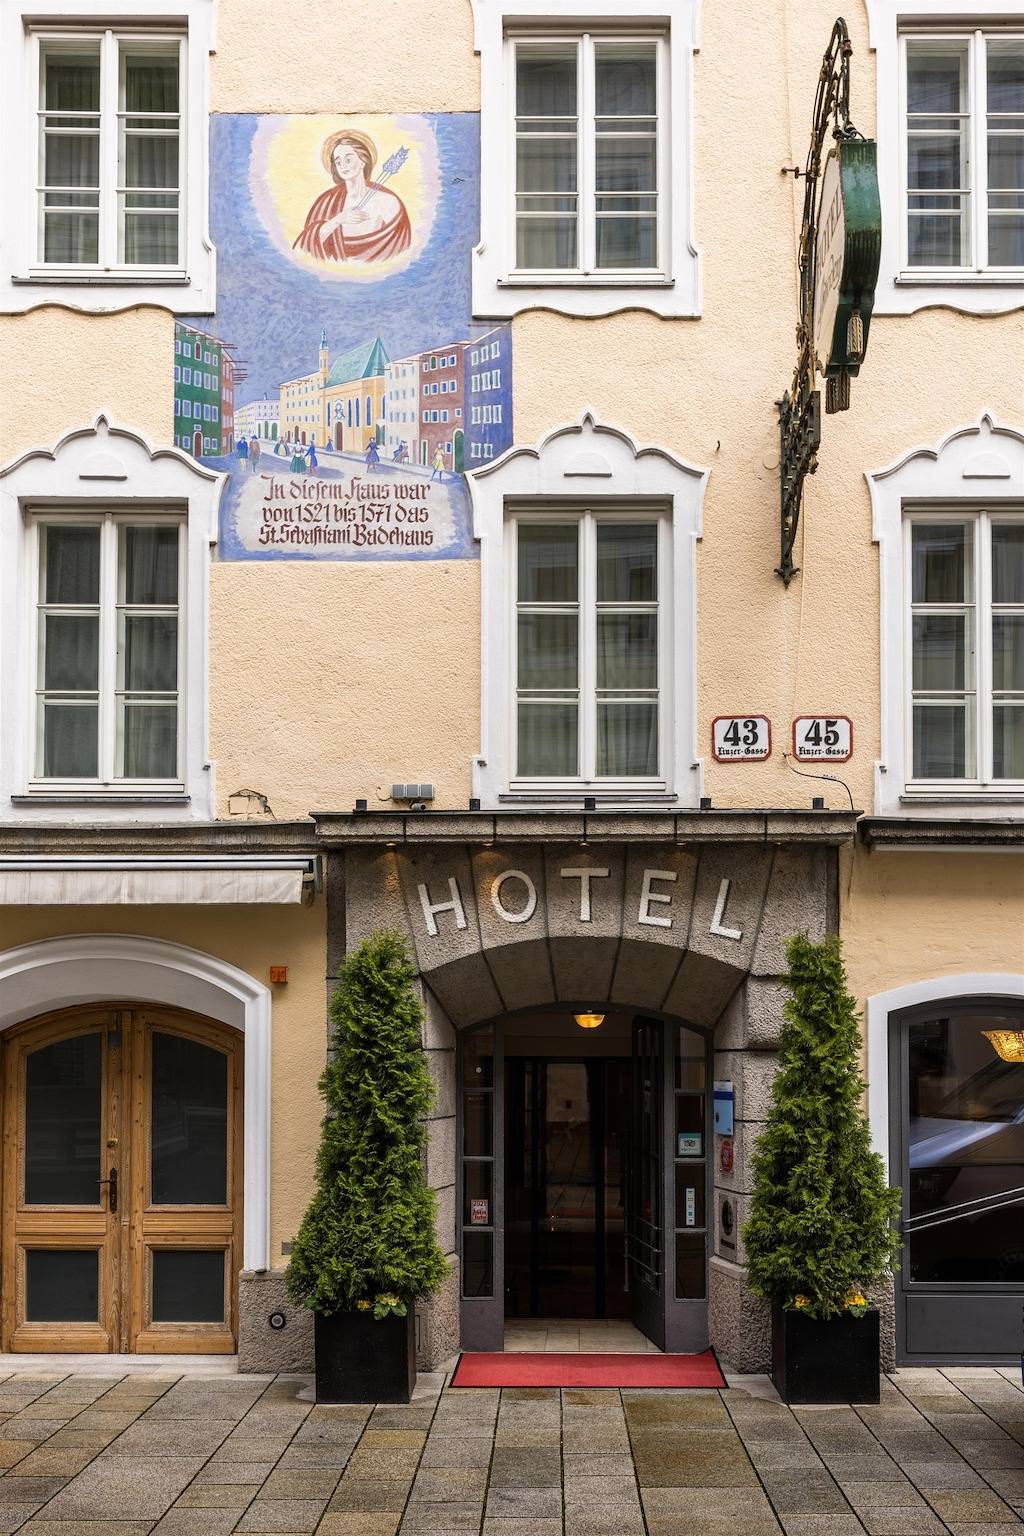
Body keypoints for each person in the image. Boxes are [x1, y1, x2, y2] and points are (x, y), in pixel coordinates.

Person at [293, 130, 412, 263]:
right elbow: (305, 245)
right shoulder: (326, 202)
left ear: (363, 161)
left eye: (348, 159)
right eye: (338, 162)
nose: (343, 165)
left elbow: (399, 251)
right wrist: (338, 220)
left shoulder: (389, 202)